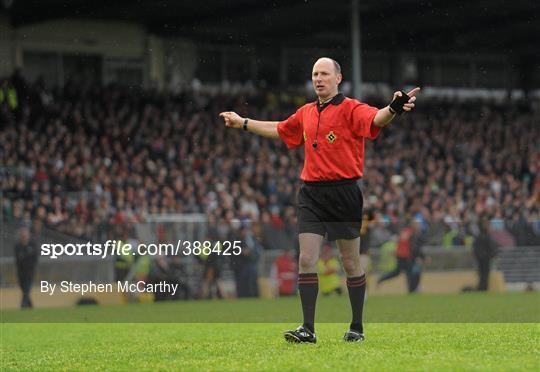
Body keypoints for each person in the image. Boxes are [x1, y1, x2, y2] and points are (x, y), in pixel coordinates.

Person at [220, 57, 419, 343]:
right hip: (311, 193)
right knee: (306, 258)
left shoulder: (351, 108)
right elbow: (279, 128)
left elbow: (376, 119)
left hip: (344, 193)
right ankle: (308, 329)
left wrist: (393, 109)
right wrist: (243, 123)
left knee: (350, 262)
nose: (318, 78)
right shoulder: (305, 112)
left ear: (338, 78)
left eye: (324, 73)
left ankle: (356, 327)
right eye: (315, 73)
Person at [14, 226, 39, 308]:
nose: (24, 236)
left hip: (30, 272)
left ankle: (23, 306)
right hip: (20, 272)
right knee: (24, 289)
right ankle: (30, 305)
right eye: (22, 234)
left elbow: (34, 257)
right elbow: (18, 258)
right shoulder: (18, 245)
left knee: (26, 289)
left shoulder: (33, 244)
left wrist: (25, 256)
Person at [473, 218, 498, 291]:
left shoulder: (478, 236)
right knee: (485, 274)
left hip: (481, 258)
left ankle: (481, 288)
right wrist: (492, 255)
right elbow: (491, 247)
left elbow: (475, 248)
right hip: (485, 258)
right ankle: (483, 288)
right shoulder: (487, 236)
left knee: (482, 274)